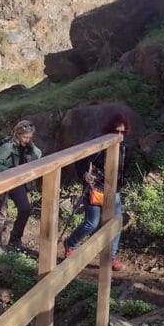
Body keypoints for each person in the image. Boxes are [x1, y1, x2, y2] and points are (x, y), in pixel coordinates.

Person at [64, 114, 127, 271]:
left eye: (122, 132)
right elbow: (80, 161)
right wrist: (85, 175)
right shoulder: (99, 145)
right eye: (116, 131)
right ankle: (70, 244)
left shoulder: (124, 147)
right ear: (109, 130)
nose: (119, 135)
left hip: (114, 190)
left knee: (116, 223)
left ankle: (110, 258)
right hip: (95, 188)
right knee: (91, 223)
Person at [0, 120, 42, 253]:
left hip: (16, 182)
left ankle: (15, 241)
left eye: (30, 137)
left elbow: (38, 155)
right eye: (25, 137)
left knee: (25, 209)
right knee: (1, 213)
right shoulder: (7, 147)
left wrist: (31, 144)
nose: (27, 140)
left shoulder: (27, 145)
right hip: (2, 181)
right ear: (17, 134)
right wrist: (10, 171)